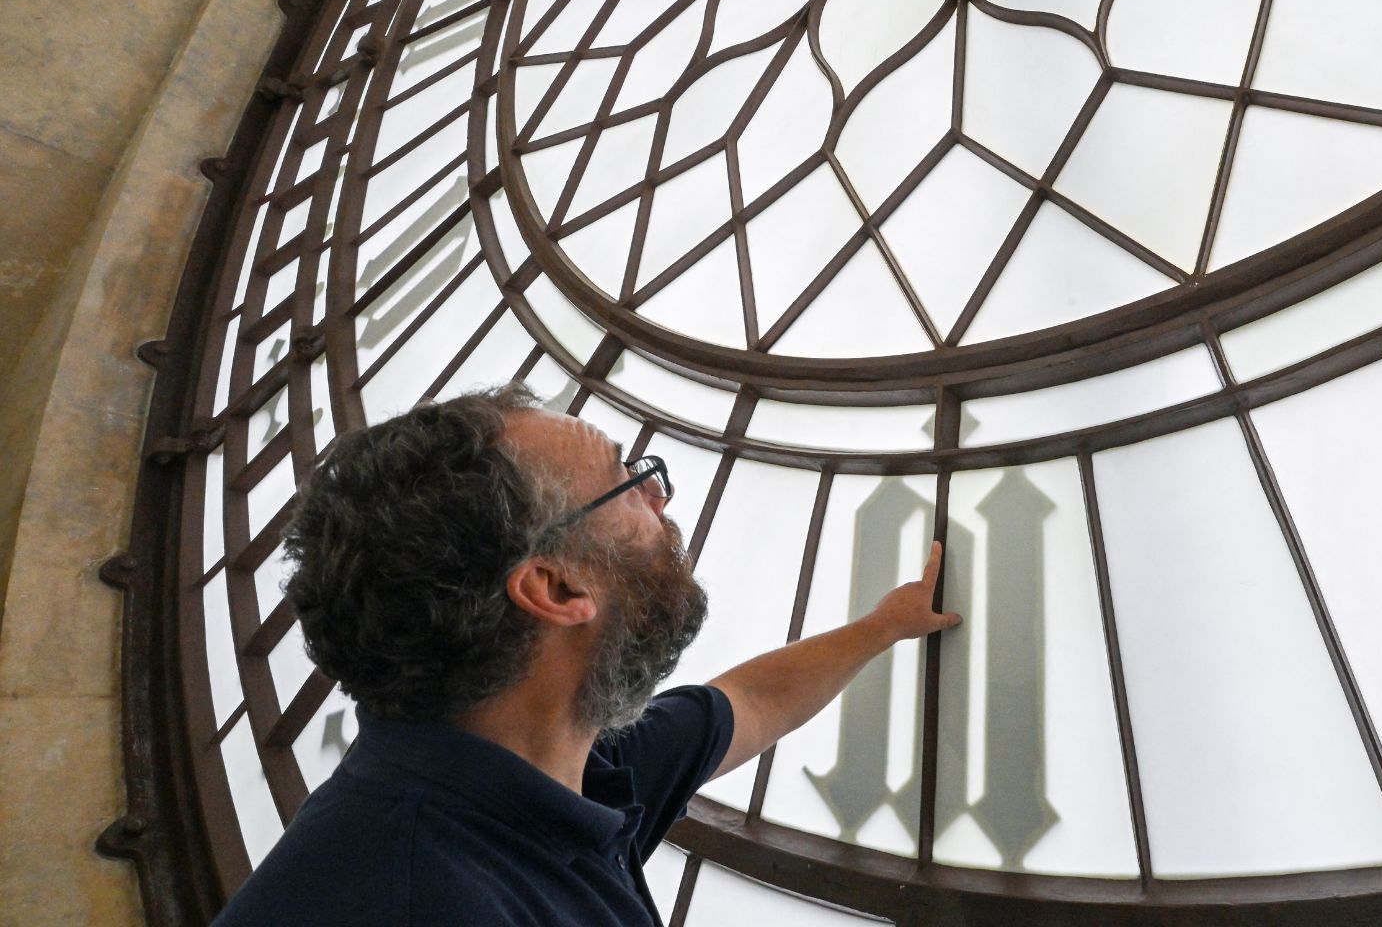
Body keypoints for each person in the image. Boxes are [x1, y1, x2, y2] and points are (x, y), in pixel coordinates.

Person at [212, 383, 960, 925]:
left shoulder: (566, 767)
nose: (660, 500)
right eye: (628, 481)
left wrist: (882, 627)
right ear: (556, 586)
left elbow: (751, 704)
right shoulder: (415, 901)